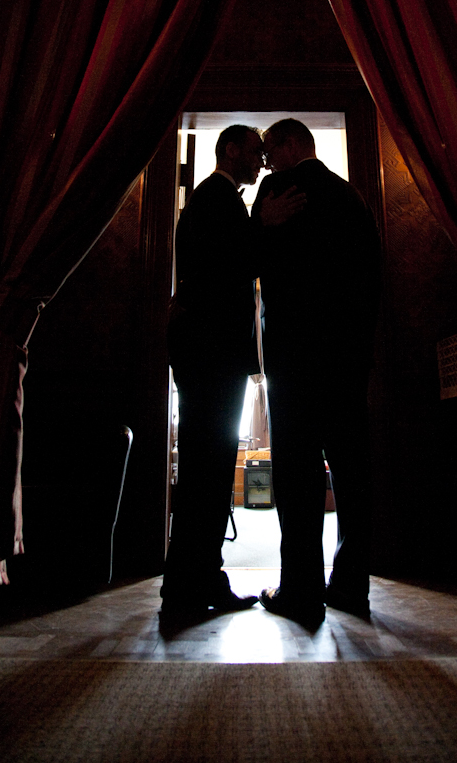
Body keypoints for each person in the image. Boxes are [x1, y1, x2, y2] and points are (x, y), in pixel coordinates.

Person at [162, 124, 303, 616]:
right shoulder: (217, 199)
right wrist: (265, 224)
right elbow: (230, 266)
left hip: (206, 354)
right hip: (211, 353)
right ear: (229, 149)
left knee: (208, 467)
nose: (262, 163)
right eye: (256, 152)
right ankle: (192, 585)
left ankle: (194, 582)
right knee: (207, 469)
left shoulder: (213, 200)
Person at [251, 118, 381, 626]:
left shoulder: (276, 191)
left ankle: (301, 591)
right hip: (347, 359)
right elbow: (373, 278)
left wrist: (263, 225)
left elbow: (253, 263)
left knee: (297, 475)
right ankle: (351, 589)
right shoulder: (351, 198)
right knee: (352, 473)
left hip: (295, 358)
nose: (264, 162)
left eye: (267, 150)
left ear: (287, 146)